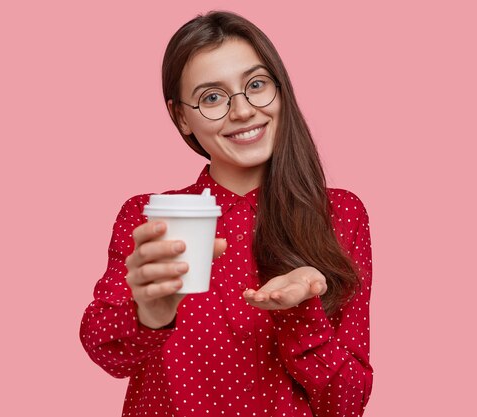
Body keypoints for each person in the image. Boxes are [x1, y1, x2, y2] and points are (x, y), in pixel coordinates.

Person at [80, 10, 373, 417]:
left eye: (256, 85)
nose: (242, 111)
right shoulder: (150, 216)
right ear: (181, 116)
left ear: (280, 90)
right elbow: (106, 354)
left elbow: (347, 403)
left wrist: (302, 312)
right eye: (212, 97)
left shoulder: (340, 214)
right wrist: (148, 315)